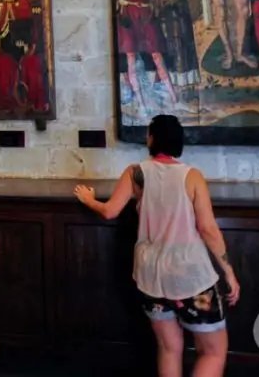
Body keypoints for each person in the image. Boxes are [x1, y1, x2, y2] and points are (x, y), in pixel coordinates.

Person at [74, 115, 240, 377]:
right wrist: (228, 270)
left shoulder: (135, 173)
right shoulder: (192, 176)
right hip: (191, 279)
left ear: (151, 138)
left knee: (168, 347)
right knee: (213, 351)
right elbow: (208, 229)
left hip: (151, 278)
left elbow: (109, 212)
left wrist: (88, 199)